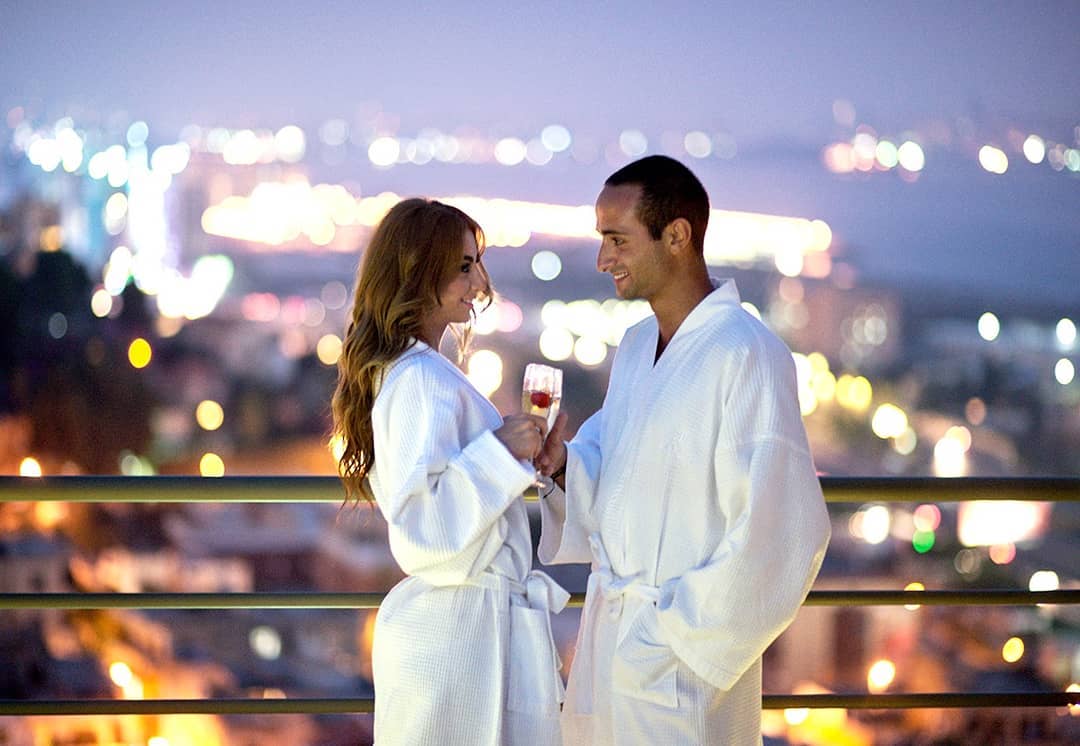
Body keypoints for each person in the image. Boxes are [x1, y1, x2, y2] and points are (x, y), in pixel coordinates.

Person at [537, 155, 831, 745]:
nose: (602, 259)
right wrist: (564, 465)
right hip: (612, 647)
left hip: (680, 672)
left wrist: (672, 640)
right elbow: (616, 468)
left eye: (617, 239)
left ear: (676, 235)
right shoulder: (636, 345)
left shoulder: (747, 354)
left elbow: (782, 534)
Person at [331, 197, 567, 746]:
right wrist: (501, 451)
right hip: (458, 649)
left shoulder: (420, 372)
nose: (480, 282)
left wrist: (521, 455)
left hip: (467, 638)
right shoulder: (419, 379)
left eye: (477, 263)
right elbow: (421, 529)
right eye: (463, 266)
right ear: (419, 271)